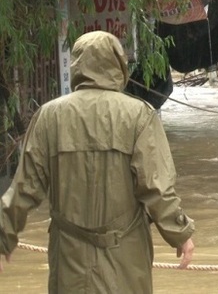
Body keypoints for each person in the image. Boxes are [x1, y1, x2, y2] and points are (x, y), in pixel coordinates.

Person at [0, 31, 195, 292]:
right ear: (118, 64)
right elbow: (157, 188)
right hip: (125, 259)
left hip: (69, 259)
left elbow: (25, 188)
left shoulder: (49, 116)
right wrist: (180, 235)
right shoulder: (139, 115)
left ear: (78, 64)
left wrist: (4, 236)